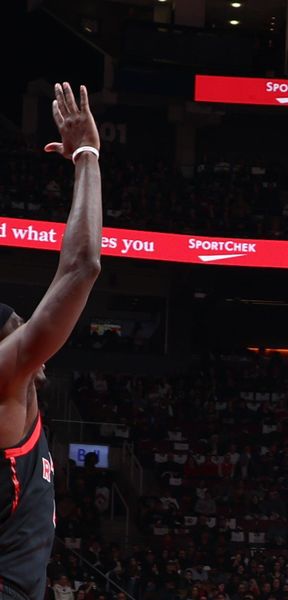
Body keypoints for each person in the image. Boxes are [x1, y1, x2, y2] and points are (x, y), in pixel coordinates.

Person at [0, 82, 102, 600]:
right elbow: (81, 266)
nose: (35, 330)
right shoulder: (3, 377)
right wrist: (87, 155)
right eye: (22, 325)